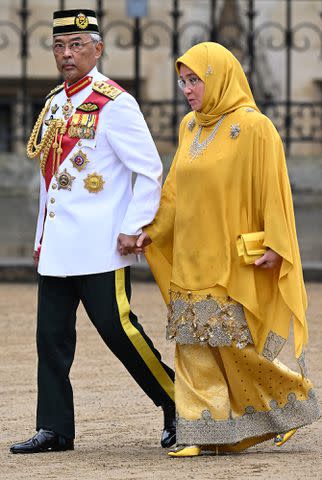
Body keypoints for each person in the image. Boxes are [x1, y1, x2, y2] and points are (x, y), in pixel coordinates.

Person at [135, 42, 320, 456]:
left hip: (229, 258)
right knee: (191, 342)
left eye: (195, 79)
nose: (187, 88)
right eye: (182, 81)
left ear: (218, 77)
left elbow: (274, 190)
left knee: (233, 345)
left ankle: (288, 400)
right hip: (189, 256)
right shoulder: (188, 126)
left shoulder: (256, 127)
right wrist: (153, 231)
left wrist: (276, 242)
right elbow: (174, 191)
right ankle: (202, 431)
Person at [10, 8, 176, 454]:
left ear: (98, 49)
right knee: (51, 339)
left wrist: (132, 227)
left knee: (121, 333)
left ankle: (180, 404)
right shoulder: (55, 102)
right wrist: (41, 236)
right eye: (60, 46)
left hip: (103, 244)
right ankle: (55, 429)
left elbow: (149, 170)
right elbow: (50, 183)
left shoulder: (115, 102)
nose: (67, 55)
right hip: (60, 247)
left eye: (77, 46)